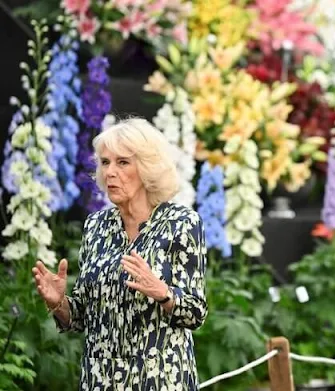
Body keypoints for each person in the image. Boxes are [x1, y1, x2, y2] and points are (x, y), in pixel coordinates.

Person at [32, 118, 208, 390]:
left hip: (160, 379)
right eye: (105, 162)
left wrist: (163, 293)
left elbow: (195, 313)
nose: (110, 172)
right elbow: (81, 317)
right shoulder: (96, 225)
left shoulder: (181, 223)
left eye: (122, 162)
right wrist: (60, 304)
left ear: (148, 168)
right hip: (101, 379)